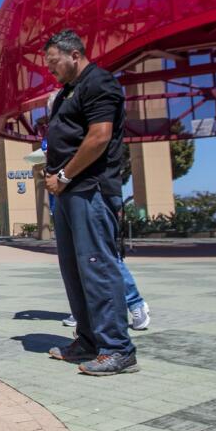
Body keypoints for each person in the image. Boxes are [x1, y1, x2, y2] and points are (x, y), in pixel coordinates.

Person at [42, 29, 138, 375]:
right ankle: (88, 341)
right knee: (75, 271)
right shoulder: (69, 91)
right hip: (68, 193)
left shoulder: (100, 83)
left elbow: (99, 137)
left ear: (74, 55)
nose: (51, 70)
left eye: (54, 63)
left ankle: (118, 349)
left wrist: (64, 175)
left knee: (98, 268)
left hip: (91, 190)